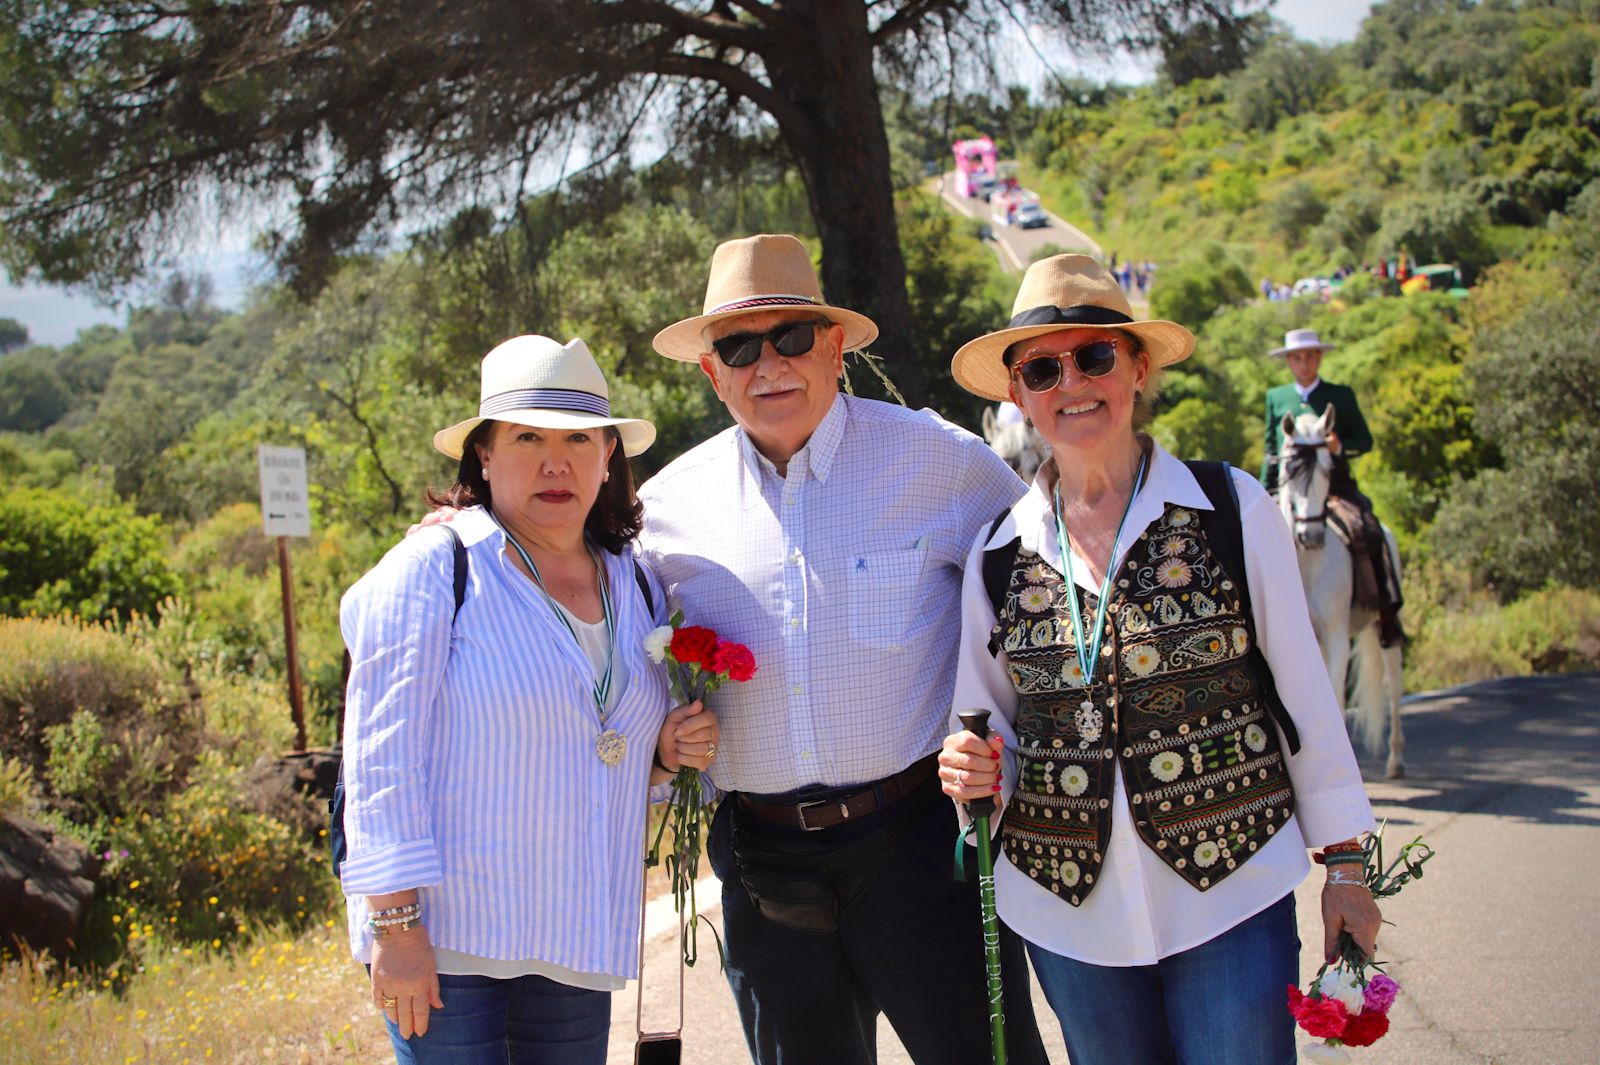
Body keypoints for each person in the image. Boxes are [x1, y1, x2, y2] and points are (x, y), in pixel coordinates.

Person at [938, 255, 1382, 1065]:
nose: (1072, 381)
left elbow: (1304, 697)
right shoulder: (997, 553)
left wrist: (1347, 862)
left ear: (1138, 367)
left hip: (1233, 893)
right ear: (1017, 394)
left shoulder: (1232, 507)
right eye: (1043, 367)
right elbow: (985, 725)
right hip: (1068, 915)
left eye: (1095, 355)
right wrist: (971, 765)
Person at [640, 234, 1048, 1065]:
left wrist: (1017, 744)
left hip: (922, 844)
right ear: (712, 373)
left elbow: (1045, 580)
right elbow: (590, 619)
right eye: (739, 347)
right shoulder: (665, 508)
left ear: (834, 349)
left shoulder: (942, 461)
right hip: (761, 859)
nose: (769, 365)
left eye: (792, 337)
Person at [340, 335, 719, 1065]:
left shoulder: (635, 584)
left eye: (579, 437)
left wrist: (662, 756)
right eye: (526, 437)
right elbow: (379, 762)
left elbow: (591, 740)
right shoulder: (435, 566)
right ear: (483, 454)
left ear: (608, 455)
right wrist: (398, 931)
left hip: (574, 937)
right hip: (450, 945)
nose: (557, 460)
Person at [1260, 328, 1402, 645]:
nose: (1304, 364)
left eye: (1310, 356)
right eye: (1297, 358)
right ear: (1289, 362)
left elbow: (1364, 441)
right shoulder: (1277, 398)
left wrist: (1339, 447)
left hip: (1337, 488)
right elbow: (1271, 452)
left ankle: (1385, 612)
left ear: (1319, 357)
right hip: (1293, 491)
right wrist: (1262, 493)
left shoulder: (1341, 395)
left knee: (1370, 530)